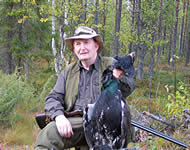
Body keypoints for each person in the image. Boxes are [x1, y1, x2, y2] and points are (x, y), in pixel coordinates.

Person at [34, 26, 135, 150]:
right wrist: (59, 117)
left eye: (86, 42)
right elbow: (52, 98)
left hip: (107, 122)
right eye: (78, 44)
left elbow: (129, 87)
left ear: (96, 46)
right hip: (79, 122)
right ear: (74, 49)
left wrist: (118, 77)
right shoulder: (68, 72)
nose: (82, 48)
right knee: (49, 133)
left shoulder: (111, 64)